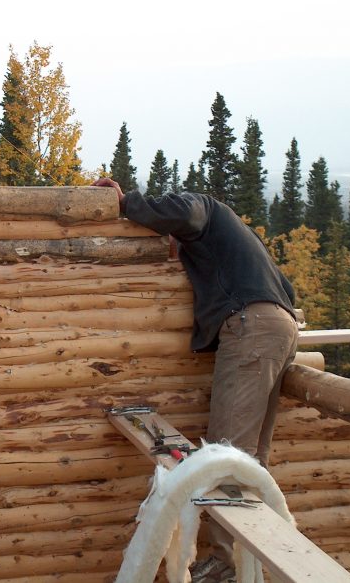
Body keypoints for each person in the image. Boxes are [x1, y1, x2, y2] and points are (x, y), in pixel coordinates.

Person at [93, 178, 299, 583]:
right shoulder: (237, 241)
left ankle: (223, 564)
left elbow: (185, 212)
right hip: (281, 326)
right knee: (253, 459)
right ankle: (248, 565)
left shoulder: (202, 205)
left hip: (251, 327)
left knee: (226, 457)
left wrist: (126, 204)